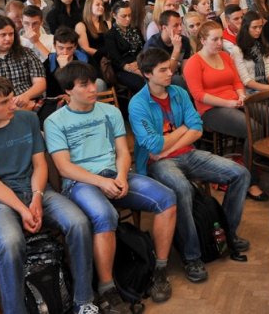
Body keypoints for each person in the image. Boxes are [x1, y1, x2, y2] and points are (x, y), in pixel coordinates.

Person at [0, 74, 97, 314]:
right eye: (4, 103)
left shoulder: (28, 119)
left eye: (12, 98)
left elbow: (40, 165)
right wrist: (23, 209)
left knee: (79, 222)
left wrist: (37, 197)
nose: (13, 105)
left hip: (35, 188)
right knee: (10, 242)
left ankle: (84, 301)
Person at [46, 62, 176, 308]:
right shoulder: (55, 122)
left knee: (166, 198)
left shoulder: (110, 112)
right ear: (68, 92)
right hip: (81, 182)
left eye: (92, 82)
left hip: (114, 176)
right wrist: (102, 182)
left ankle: (159, 270)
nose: (92, 88)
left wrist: (122, 176)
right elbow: (64, 168)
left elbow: (122, 151)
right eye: (84, 85)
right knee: (105, 216)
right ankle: (107, 288)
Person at [129, 48, 251, 283]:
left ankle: (226, 232)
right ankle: (191, 255)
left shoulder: (177, 92)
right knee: (182, 189)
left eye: (169, 67)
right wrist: (183, 131)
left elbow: (197, 126)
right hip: (158, 164)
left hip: (185, 154)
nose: (170, 72)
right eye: (162, 70)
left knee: (240, 174)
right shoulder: (137, 104)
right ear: (147, 74)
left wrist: (172, 144)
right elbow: (153, 146)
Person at [184, 21, 269, 201]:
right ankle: (249, 181)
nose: (219, 43)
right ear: (202, 40)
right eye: (214, 39)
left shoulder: (224, 56)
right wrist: (227, 103)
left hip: (235, 101)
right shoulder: (193, 63)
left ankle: (263, 160)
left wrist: (240, 96)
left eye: (221, 39)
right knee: (253, 128)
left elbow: (237, 81)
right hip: (211, 109)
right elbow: (199, 95)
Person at [0, 16, 46, 111]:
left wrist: (26, 96)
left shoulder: (27, 53)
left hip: (29, 101)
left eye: (11, 34)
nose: (8, 38)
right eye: (3, 35)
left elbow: (40, 83)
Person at [143, 10, 192, 88]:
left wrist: (185, 76)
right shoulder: (153, 45)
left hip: (178, 75)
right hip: (158, 79)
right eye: (175, 25)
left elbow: (185, 67)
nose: (180, 29)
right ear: (164, 28)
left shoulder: (184, 40)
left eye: (180, 24)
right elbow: (168, 73)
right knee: (177, 79)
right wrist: (176, 49)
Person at [231, 11, 269, 94]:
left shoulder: (261, 44)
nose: (258, 30)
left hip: (267, 87)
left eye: (260, 27)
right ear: (246, 28)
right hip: (251, 94)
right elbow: (246, 81)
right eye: (254, 27)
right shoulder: (237, 50)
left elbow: (268, 68)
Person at [104, 1, 146, 91]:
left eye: (129, 15)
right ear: (114, 15)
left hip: (140, 62)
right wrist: (132, 69)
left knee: (156, 77)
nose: (128, 19)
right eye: (124, 16)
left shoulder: (135, 30)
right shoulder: (110, 35)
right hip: (122, 69)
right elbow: (115, 59)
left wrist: (138, 63)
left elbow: (143, 48)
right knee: (140, 83)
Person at [75, 0, 110, 75]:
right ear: (89, 7)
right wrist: (104, 54)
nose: (101, 7)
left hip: (109, 56)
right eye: (97, 4)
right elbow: (85, 48)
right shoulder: (81, 25)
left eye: (102, 5)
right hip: (93, 59)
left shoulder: (107, 23)